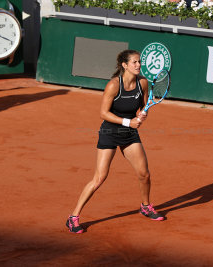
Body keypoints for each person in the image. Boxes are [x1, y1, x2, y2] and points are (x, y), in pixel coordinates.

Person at [66, 49, 164, 234]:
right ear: (124, 65)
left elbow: (142, 107)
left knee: (144, 174)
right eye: (134, 62)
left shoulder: (142, 83)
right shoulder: (113, 85)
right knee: (99, 177)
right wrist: (128, 121)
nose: (138, 65)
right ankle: (73, 217)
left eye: (139, 62)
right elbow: (103, 113)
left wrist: (142, 115)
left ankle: (145, 206)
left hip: (129, 135)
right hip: (110, 132)